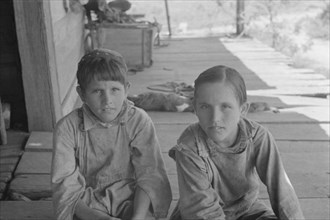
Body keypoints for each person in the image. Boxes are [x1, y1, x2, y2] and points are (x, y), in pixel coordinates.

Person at [169, 65, 304, 220]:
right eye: (205, 107)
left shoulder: (257, 137)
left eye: (225, 107)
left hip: (247, 210)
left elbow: (282, 190)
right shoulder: (189, 147)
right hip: (201, 214)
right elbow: (202, 210)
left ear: (242, 109)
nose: (215, 118)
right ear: (195, 109)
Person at [51, 49, 172, 220]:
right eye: (97, 91)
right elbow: (66, 189)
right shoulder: (67, 128)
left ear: (126, 89)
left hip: (130, 197)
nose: (107, 100)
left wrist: (137, 217)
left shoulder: (138, 120)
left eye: (115, 89)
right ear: (82, 94)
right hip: (88, 201)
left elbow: (150, 174)